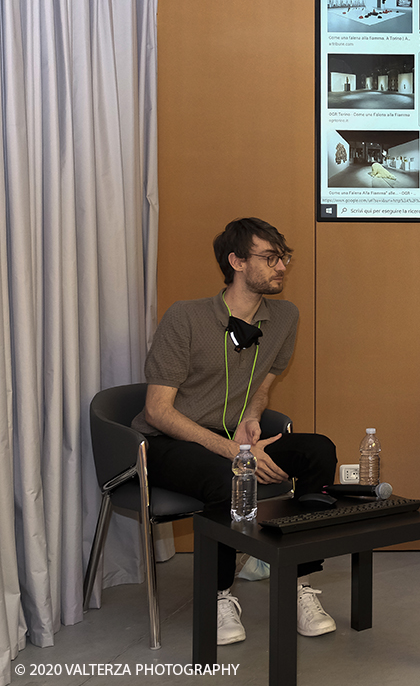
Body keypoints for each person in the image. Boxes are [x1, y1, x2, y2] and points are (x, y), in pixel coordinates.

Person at [132, 218, 339, 645]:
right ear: (237, 262)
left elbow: (263, 386)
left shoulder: (284, 317)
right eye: (270, 258)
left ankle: (297, 580)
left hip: (234, 437)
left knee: (319, 450)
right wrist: (232, 452)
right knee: (228, 477)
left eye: (284, 257)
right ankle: (218, 594)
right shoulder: (185, 317)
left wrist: (251, 420)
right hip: (169, 443)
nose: (281, 266)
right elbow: (156, 411)